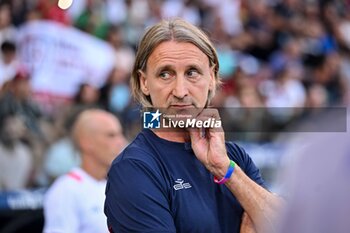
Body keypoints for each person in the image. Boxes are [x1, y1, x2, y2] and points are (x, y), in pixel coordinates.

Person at [104, 19, 282, 233]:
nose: (180, 91)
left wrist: (223, 168)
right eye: (165, 74)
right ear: (144, 83)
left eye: (192, 73)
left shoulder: (234, 157)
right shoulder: (134, 168)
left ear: (212, 77)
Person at [43, 109, 127, 233]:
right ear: (86, 142)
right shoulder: (66, 190)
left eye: (121, 134)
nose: (121, 142)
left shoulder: (117, 186)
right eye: (111, 135)